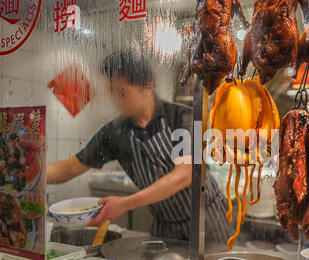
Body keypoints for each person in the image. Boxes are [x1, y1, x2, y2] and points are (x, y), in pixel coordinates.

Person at [47, 50, 234, 244]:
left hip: (207, 221)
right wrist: (30, 176)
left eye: (122, 92)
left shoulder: (182, 117)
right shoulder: (115, 132)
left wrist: (125, 204)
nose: (115, 99)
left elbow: (184, 176)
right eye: (111, 91)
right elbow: (72, 166)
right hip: (165, 228)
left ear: (147, 87)